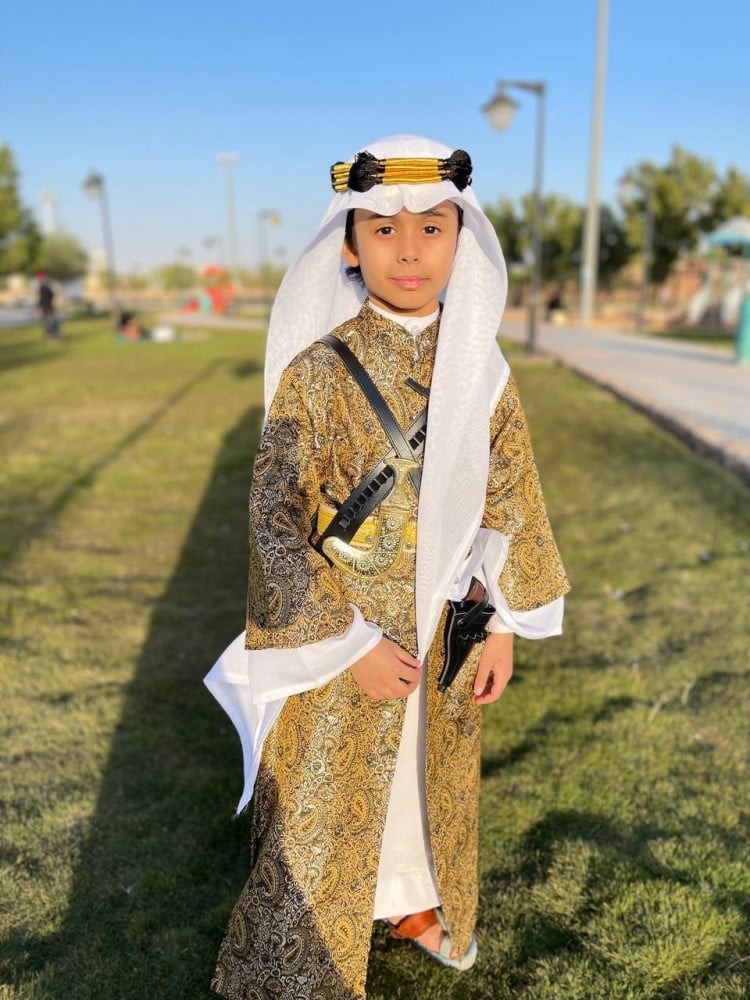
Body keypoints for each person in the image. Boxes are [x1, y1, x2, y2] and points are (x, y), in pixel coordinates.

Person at [205, 134, 569, 1000]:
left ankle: (411, 906)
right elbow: (274, 516)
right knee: (327, 802)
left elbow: (511, 499)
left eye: (432, 228)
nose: (409, 251)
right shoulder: (318, 371)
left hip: (448, 629)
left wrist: (503, 622)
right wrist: (349, 642)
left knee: (421, 784)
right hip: (344, 639)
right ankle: (303, 961)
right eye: (383, 229)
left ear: (462, 240)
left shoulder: (485, 371)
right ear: (349, 244)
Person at [37, 273, 60, 340]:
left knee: (50, 322)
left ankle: (51, 336)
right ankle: (50, 336)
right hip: (47, 308)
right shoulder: (44, 287)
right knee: (49, 322)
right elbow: (43, 299)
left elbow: (47, 298)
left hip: (48, 307)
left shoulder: (46, 287)